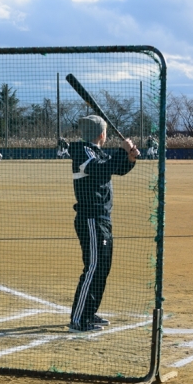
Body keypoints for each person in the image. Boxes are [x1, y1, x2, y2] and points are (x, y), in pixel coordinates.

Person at [68, 115, 140, 332]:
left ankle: (89, 312)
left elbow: (116, 168)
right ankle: (79, 320)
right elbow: (101, 168)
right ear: (102, 134)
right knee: (93, 267)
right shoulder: (82, 151)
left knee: (102, 268)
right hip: (90, 218)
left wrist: (129, 158)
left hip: (102, 218)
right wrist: (121, 151)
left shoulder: (96, 152)